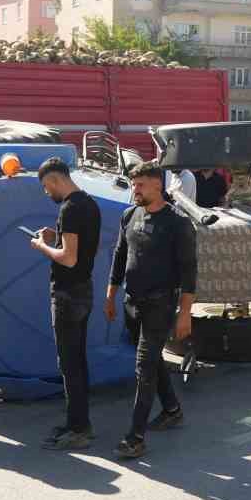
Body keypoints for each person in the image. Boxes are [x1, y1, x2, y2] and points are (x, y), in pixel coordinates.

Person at [105, 162, 195, 460]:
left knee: (144, 367)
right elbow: (120, 255)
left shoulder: (177, 222)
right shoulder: (129, 215)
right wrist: (111, 294)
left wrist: (185, 313)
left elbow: (188, 272)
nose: (135, 190)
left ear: (157, 185)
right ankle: (172, 409)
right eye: (133, 184)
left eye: (140, 185)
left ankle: (135, 438)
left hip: (161, 304)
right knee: (152, 360)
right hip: (132, 302)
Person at [31, 157, 102, 450]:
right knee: (77, 361)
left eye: (47, 187)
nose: (48, 193)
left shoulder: (70, 208)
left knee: (69, 363)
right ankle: (77, 420)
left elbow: (69, 258)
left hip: (67, 294)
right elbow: (78, 248)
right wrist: (56, 236)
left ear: (57, 179)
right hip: (83, 290)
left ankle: (80, 428)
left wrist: (42, 246)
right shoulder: (90, 204)